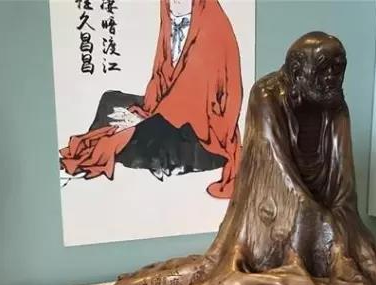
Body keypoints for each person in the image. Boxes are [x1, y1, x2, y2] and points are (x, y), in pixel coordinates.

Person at [60, 0, 243, 199]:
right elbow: (161, 76)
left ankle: (108, 146)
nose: (174, 3)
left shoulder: (210, 28)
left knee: (131, 141)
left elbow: (189, 101)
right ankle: (107, 142)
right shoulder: (172, 19)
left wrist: (138, 126)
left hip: (201, 131)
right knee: (110, 100)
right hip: (170, 109)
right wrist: (147, 111)